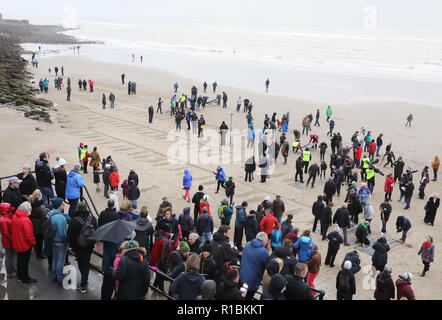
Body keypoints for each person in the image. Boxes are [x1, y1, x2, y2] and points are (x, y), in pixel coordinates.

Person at [67, 201, 97, 292]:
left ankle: (83, 282)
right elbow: (96, 230)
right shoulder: (92, 218)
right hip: (89, 245)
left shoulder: (74, 220)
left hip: (78, 246)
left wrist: (71, 245)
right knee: (86, 263)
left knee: (81, 263)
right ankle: (85, 279)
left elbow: (70, 235)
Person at [11, 202, 37, 284]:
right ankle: (25, 279)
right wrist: (33, 243)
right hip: (25, 245)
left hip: (17, 243)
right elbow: (29, 236)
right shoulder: (26, 220)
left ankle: (20, 276)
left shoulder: (15, 216)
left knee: (20, 261)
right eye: (30, 209)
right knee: (25, 263)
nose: (31, 210)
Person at [240, 232, 270, 300]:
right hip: (253, 282)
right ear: (262, 240)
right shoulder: (264, 252)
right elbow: (267, 266)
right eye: (267, 240)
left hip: (242, 278)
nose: (267, 242)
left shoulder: (247, 245)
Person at [48, 198, 70, 286]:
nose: (64, 204)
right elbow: (62, 233)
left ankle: (54, 276)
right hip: (60, 242)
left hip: (52, 240)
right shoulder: (60, 218)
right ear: (59, 205)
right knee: (60, 260)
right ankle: (60, 278)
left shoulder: (50, 213)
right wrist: (67, 241)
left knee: (55, 258)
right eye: (62, 203)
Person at [28, 190, 48, 259]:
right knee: (40, 241)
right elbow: (44, 217)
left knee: (36, 239)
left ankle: (36, 250)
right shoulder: (41, 207)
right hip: (39, 226)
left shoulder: (30, 203)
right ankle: (39, 255)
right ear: (39, 196)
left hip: (32, 223)